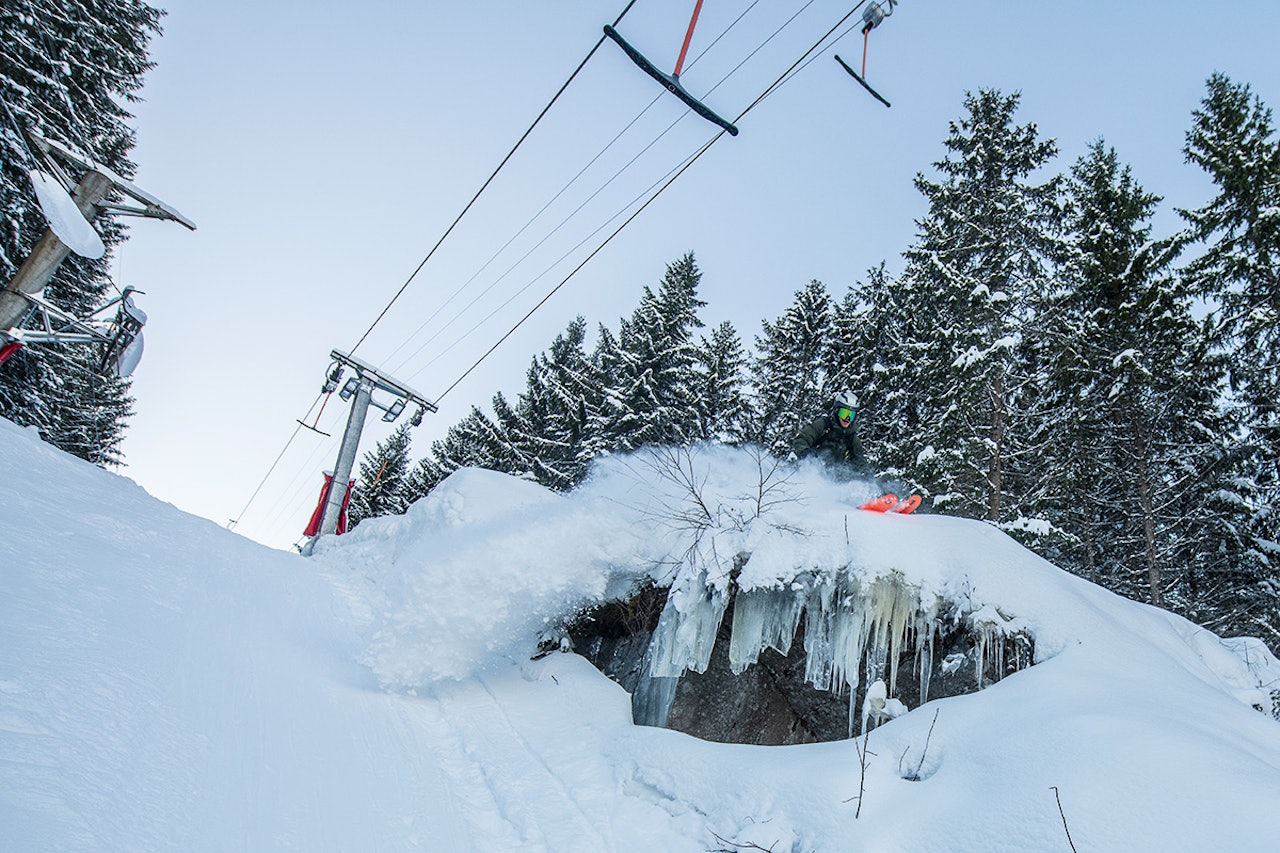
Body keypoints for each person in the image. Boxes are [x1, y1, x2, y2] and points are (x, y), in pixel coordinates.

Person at [791, 389, 869, 474]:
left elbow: (860, 462)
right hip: (811, 470)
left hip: (833, 477)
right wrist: (806, 454)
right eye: (844, 413)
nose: (847, 419)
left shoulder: (851, 436)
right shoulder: (823, 425)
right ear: (836, 411)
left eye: (851, 415)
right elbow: (801, 440)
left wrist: (867, 479)